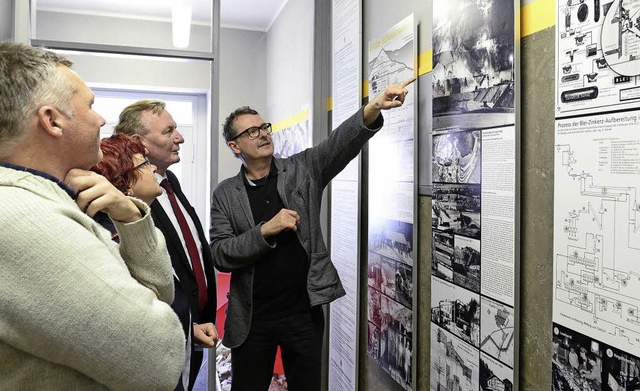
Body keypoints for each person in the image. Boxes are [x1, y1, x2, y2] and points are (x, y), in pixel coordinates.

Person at [0, 41, 185, 389]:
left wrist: (131, 217)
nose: (101, 119)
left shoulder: (51, 203)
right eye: (89, 105)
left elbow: (159, 292)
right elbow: (158, 359)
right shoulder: (25, 222)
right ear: (52, 120)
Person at [210, 77, 415, 390]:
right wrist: (266, 230)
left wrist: (374, 106)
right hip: (252, 320)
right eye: (251, 131)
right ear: (235, 146)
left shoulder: (302, 169)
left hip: (302, 314)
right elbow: (221, 254)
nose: (262, 133)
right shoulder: (226, 194)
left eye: (263, 126)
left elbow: (339, 143)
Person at [91, 133, 218, 390]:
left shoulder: (142, 226)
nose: (152, 169)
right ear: (125, 185)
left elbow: (157, 300)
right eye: (143, 165)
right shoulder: (112, 237)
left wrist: (187, 328)